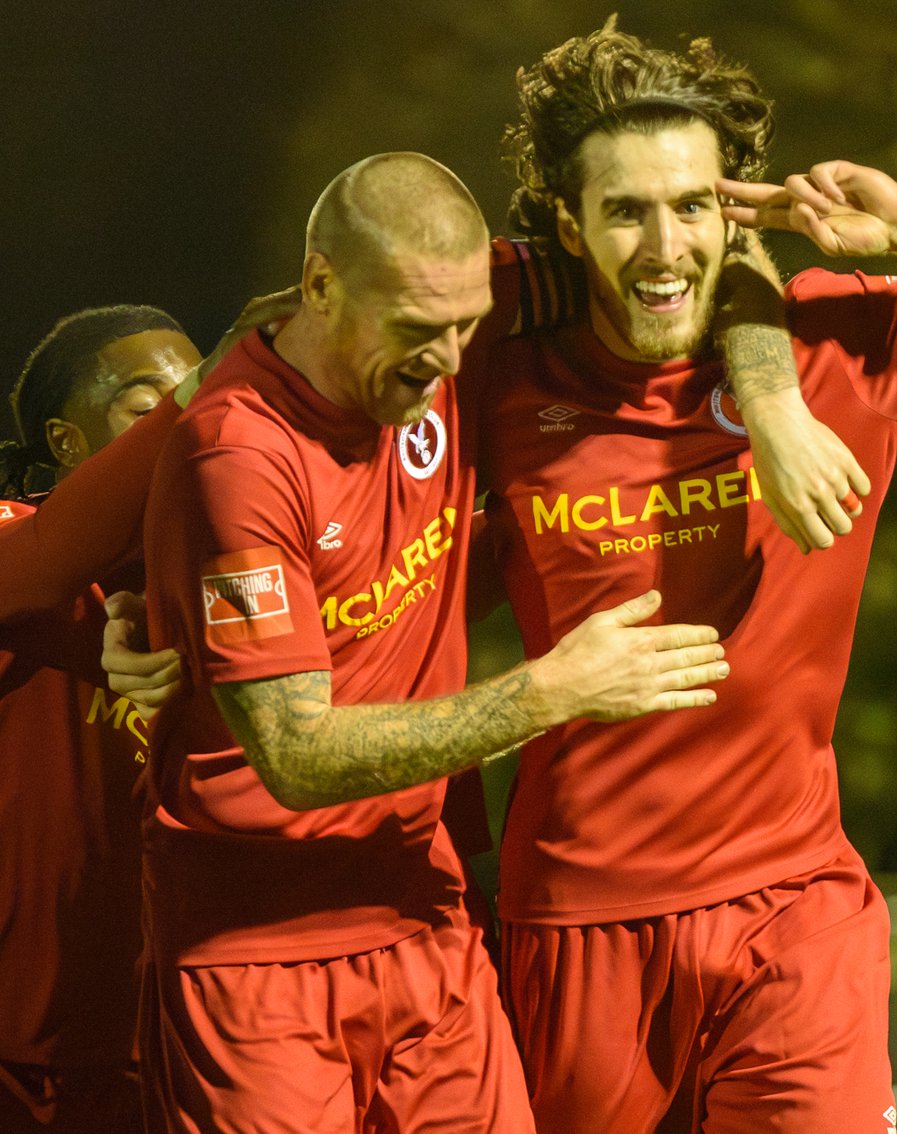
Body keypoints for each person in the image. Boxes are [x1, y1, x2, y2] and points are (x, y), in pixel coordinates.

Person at [459, 21, 897, 1132]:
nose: (664, 243)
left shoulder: (838, 340)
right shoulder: (499, 373)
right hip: (580, 916)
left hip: (795, 906)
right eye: (625, 210)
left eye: (692, 205)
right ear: (566, 223)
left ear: (734, 210)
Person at [137, 151, 731, 1134]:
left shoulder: (437, 360)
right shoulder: (237, 453)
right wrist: (546, 693)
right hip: (257, 957)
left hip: (425, 917)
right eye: (420, 329)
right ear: (320, 285)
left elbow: (693, 257)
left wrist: (778, 399)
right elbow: (293, 754)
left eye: (466, 327)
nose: (452, 361)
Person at [0, 305, 201, 1133]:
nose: (188, 412)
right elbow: (48, 576)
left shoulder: (234, 556)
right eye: (147, 400)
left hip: (195, 1018)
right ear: (67, 441)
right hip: (31, 1045)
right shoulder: (15, 539)